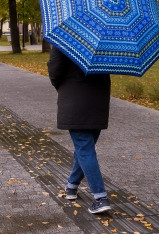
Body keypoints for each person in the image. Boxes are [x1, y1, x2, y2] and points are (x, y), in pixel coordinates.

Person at [47, 46, 112, 214]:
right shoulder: (105, 38)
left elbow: (55, 70)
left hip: (74, 98)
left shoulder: (65, 38)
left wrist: (64, 88)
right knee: (85, 147)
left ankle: (100, 197)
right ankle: (72, 185)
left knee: (84, 148)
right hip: (99, 98)